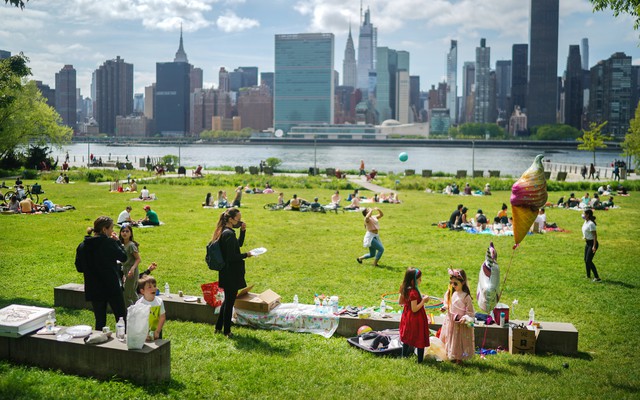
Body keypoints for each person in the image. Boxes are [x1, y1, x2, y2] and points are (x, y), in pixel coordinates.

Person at [75, 216, 127, 330]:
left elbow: (79, 267)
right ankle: (123, 343)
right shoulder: (109, 243)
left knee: (100, 320)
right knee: (121, 318)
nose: (112, 231)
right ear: (104, 229)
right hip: (111, 286)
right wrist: (118, 241)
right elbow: (123, 257)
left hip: (93, 287)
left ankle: (99, 344)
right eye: (111, 228)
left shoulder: (83, 245)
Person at [212, 208, 253, 337]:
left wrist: (243, 231)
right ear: (231, 219)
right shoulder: (228, 234)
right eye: (238, 219)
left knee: (227, 301)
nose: (239, 221)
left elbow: (238, 245)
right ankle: (227, 331)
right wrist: (246, 255)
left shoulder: (226, 232)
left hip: (227, 272)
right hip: (231, 273)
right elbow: (231, 256)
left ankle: (218, 327)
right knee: (229, 303)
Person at [440, 268, 475, 364]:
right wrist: (445, 307)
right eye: (451, 283)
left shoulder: (465, 297)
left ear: (462, 283)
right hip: (450, 322)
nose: (452, 285)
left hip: (460, 323)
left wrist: (465, 318)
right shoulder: (450, 293)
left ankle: (459, 358)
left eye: (455, 284)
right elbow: (448, 304)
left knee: (459, 341)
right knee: (451, 338)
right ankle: (451, 355)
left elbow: (471, 313)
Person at [398, 267, 430, 363]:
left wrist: (418, 298)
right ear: (413, 281)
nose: (421, 281)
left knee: (407, 336)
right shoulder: (413, 292)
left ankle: (404, 356)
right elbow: (415, 309)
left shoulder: (404, 288)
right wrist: (423, 301)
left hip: (407, 316)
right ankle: (420, 361)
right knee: (420, 337)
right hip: (416, 318)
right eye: (419, 279)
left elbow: (400, 302)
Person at [136, 275, 166, 340]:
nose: (153, 288)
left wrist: (157, 331)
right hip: (143, 331)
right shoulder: (139, 304)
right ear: (142, 291)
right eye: (149, 287)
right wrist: (143, 333)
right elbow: (137, 321)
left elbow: (162, 317)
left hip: (157, 329)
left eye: (154, 286)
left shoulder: (159, 301)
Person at [119, 224, 141, 306]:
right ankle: (140, 310)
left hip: (131, 271)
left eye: (127, 231)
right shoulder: (122, 244)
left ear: (131, 233)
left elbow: (138, 259)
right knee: (133, 293)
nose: (124, 233)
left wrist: (132, 269)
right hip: (126, 270)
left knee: (127, 295)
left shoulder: (131, 245)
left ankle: (131, 312)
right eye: (123, 231)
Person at [582, 209, 601, 282]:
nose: (583, 215)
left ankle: (597, 278)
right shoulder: (585, 222)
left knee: (588, 260)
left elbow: (595, 235)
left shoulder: (591, 224)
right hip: (587, 243)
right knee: (585, 260)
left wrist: (594, 246)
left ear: (588, 215)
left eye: (584, 214)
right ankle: (588, 276)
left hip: (592, 243)